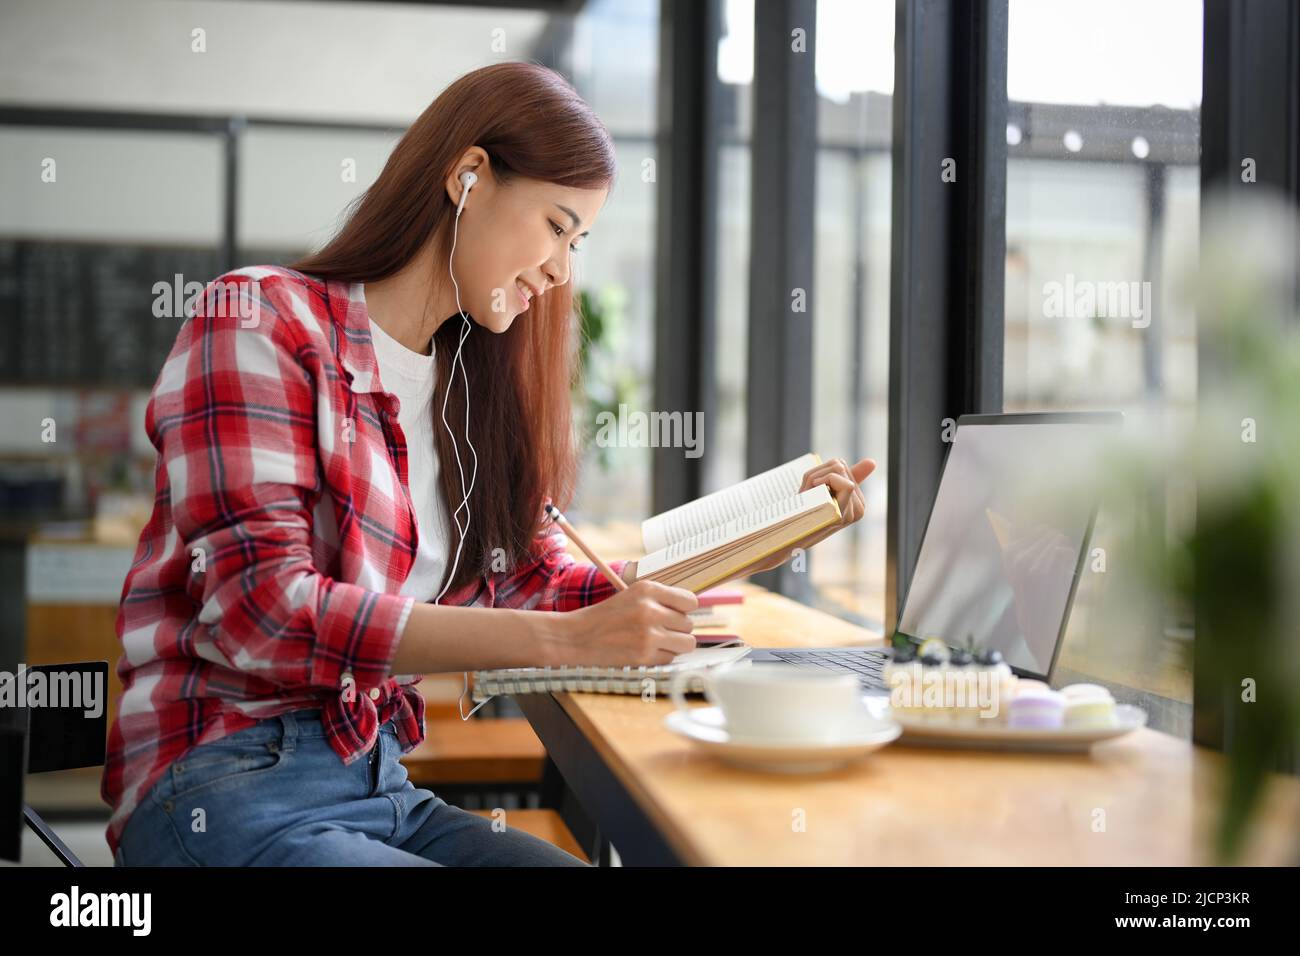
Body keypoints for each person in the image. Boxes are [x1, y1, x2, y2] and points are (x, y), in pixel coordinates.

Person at [102, 62, 875, 866]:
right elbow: (265, 614)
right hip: (222, 784)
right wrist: (572, 644)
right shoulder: (263, 319)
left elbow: (537, 585)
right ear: (469, 176)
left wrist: (775, 530)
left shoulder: (465, 386)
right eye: (555, 224)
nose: (562, 269)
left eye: (578, 242)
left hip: (378, 787)